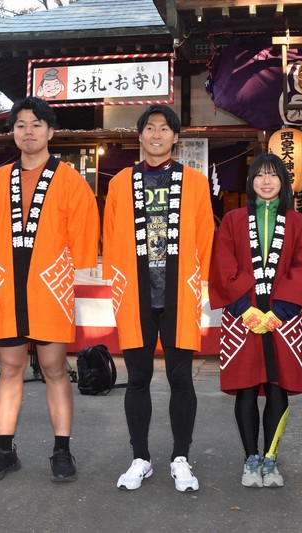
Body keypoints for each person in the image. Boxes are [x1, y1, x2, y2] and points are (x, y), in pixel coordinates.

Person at [0, 97, 99, 483]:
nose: (27, 132)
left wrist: (77, 267)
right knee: (9, 368)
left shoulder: (69, 179)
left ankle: (62, 450)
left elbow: (83, 228)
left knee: (54, 368)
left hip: (51, 285)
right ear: (13, 132)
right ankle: (3, 450)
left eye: (35, 124)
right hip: (7, 286)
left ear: (50, 131)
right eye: (20, 125)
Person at [103, 105, 214, 492]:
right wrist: (116, 289)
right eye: (149, 128)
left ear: (175, 138)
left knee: (181, 377)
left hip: (178, 293)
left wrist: (198, 283)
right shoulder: (120, 182)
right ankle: (140, 457)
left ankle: (180, 457)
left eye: (164, 129)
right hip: (135, 295)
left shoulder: (195, 182)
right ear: (140, 135)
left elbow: (205, 237)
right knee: (137, 378)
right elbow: (111, 238)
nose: (156, 134)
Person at [208, 153, 302, 488]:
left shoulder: (298, 223)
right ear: (251, 181)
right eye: (259, 176)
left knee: (277, 387)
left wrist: (280, 312)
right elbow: (223, 264)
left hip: (282, 319)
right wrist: (244, 309)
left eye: (273, 176)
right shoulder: (233, 220)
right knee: (245, 389)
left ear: (284, 182)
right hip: (244, 319)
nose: (266, 182)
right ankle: (249, 457)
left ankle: (271, 458)